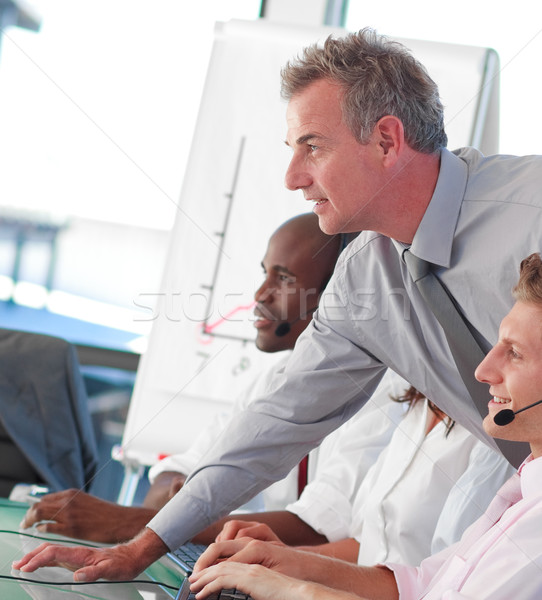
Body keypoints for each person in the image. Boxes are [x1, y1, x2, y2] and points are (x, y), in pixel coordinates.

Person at [11, 27, 542, 580]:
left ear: (386, 140)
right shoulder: (365, 278)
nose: (292, 178)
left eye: (312, 146)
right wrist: (142, 545)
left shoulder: (532, 211)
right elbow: (275, 422)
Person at [18, 212, 402, 546]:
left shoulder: (387, 393)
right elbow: (185, 467)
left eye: (283, 279)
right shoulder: (273, 382)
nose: (260, 294)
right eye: (264, 273)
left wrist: (132, 524)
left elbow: (318, 528)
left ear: (337, 294)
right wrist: (172, 500)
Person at [180, 252, 542, 599]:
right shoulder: (524, 484)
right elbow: (419, 585)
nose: (483, 370)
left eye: (515, 353)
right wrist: (289, 563)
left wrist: (293, 589)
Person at [216, 387, 514, 567]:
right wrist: (279, 556)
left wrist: (296, 572)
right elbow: (368, 547)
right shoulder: (418, 409)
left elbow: (440, 580)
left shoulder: (494, 438)